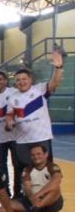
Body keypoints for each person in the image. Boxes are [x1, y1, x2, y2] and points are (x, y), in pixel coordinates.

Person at [5, 51, 64, 183]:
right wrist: (9, 123)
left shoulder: (40, 90)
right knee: (24, 172)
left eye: (24, 79)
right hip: (22, 142)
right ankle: (23, 197)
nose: (21, 82)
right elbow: (9, 116)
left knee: (46, 171)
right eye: (18, 80)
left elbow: (55, 82)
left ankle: (48, 198)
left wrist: (58, 68)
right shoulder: (12, 97)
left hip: (41, 138)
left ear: (30, 79)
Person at [5, 144, 63, 212]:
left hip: (51, 203)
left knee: (56, 188)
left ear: (46, 154)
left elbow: (56, 180)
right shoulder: (27, 169)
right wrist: (32, 197)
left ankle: (36, 207)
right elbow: (27, 187)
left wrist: (38, 195)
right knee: (9, 205)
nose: (36, 157)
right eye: (33, 155)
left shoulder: (52, 167)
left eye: (38, 154)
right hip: (32, 201)